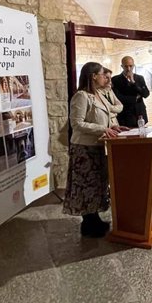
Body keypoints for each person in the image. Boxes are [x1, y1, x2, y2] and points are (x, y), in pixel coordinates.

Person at [64, 62, 126, 237]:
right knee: (86, 185)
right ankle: (88, 223)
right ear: (93, 76)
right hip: (84, 148)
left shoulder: (98, 94)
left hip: (97, 146)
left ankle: (95, 218)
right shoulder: (81, 96)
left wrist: (114, 128)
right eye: (101, 74)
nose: (105, 77)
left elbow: (106, 117)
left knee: (97, 183)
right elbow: (77, 123)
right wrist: (103, 130)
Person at [112, 56, 150, 128]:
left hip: (140, 113)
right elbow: (117, 97)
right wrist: (135, 98)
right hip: (125, 115)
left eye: (130, 66)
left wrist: (134, 83)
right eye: (126, 66)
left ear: (134, 66)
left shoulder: (139, 78)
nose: (128, 69)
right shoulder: (115, 79)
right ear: (122, 66)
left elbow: (146, 94)